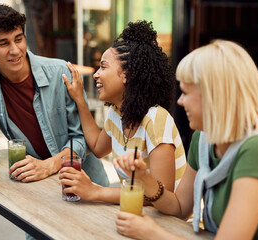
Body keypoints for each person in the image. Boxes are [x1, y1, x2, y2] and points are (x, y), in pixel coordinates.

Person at [114, 39, 258, 239]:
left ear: (214, 97)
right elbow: (179, 207)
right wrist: (145, 178)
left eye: (186, 93)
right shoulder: (204, 139)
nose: (179, 101)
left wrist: (153, 234)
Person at [0, 4, 109, 190]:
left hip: (87, 181)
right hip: (40, 185)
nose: (15, 50)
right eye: (3, 43)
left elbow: (82, 139)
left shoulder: (61, 73)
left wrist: (48, 165)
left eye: (19, 39)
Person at [59, 20, 186, 204]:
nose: (96, 74)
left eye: (103, 66)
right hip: (135, 215)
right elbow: (97, 147)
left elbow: (161, 195)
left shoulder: (156, 119)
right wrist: (80, 98)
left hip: (173, 224)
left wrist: (96, 191)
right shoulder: (116, 113)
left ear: (126, 74)